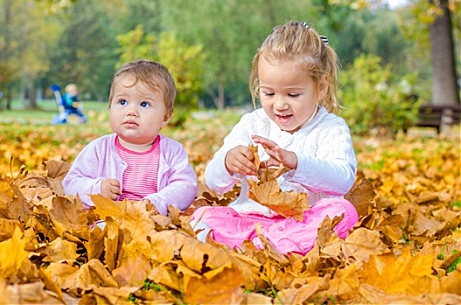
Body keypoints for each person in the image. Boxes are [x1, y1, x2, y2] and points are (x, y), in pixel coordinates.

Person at [191, 21, 358, 255]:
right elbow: (213, 182)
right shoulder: (253, 124)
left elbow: (342, 180)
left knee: (344, 213)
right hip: (250, 219)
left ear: (320, 87)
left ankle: (265, 245)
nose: (279, 104)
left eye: (293, 94)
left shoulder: (331, 128)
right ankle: (261, 244)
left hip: (303, 223)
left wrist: (296, 164)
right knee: (204, 216)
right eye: (269, 93)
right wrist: (229, 163)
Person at [63, 60, 198, 217]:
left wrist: (158, 202)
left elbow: (186, 186)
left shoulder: (172, 152)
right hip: (107, 220)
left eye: (144, 104)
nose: (131, 111)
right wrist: (97, 189)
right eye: (122, 102)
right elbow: (71, 183)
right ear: (110, 107)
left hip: (152, 223)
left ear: (165, 117)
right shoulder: (99, 149)